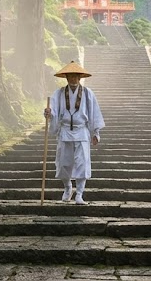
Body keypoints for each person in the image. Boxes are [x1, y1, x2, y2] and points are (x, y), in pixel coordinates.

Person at [43, 61, 105, 205]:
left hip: (81, 131)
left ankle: (79, 194)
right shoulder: (58, 93)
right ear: (66, 77)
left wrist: (96, 132)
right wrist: (49, 113)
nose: (73, 79)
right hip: (65, 131)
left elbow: (94, 113)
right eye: (70, 76)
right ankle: (67, 187)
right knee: (64, 163)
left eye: (76, 76)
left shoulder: (88, 93)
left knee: (82, 163)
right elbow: (53, 110)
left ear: (80, 77)